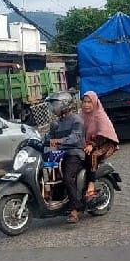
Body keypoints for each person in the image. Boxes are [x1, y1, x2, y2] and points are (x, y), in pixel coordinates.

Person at [44, 92, 86, 224]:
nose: (53, 108)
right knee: (46, 172)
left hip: (74, 153)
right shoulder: (55, 123)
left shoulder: (76, 120)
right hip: (59, 154)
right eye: (52, 105)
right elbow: (48, 138)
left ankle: (75, 209)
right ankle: (53, 200)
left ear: (65, 104)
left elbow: (75, 138)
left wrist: (58, 142)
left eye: (55, 105)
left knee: (67, 177)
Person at [79, 91, 119, 200]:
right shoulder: (81, 115)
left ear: (95, 103)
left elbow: (104, 134)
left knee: (93, 155)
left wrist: (92, 145)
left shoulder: (100, 115)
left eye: (89, 102)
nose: (86, 105)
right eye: (84, 102)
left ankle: (91, 184)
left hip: (106, 143)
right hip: (88, 143)